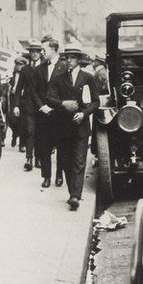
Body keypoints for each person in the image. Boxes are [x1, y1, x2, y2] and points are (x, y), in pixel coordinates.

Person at [47, 46, 99, 211]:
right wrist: (63, 104)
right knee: (66, 161)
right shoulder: (58, 78)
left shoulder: (88, 78)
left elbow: (96, 102)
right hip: (63, 126)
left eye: (72, 58)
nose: (68, 61)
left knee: (79, 161)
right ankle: (72, 192)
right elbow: (49, 98)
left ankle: (75, 195)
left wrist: (84, 114)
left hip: (81, 127)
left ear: (78, 60)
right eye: (66, 58)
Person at [33, 36, 67, 188]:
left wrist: (58, 106)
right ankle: (46, 176)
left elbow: (68, 92)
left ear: (53, 50)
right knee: (44, 147)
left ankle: (59, 175)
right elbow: (33, 91)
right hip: (43, 114)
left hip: (60, 115)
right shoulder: (39, 69)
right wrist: (41, 106)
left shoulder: (65, 67)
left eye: (44, 49)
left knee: (61, 146)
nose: (41, 52)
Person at [13, 42, 42, 171]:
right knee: (30, 131)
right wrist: (16, 105)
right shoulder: (25, 69)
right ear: (30, 54)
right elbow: (19, 88)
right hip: (28, 105)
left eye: (37, 51)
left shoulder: (45, 68)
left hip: (42, 105)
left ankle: (38, 158)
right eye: (32, 51)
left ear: (40, 53)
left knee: (40, 133)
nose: (35, 53)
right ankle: (29, 158)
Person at [7, 55, 27, 150]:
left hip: (23, 99)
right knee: (12, 120)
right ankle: (15, 134)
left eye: (21, 65)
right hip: (13, 98)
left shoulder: (27, 75)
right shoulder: (11, 75)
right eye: (17, 64)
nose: (18, 67)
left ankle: (22, 144)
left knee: (22, 121)